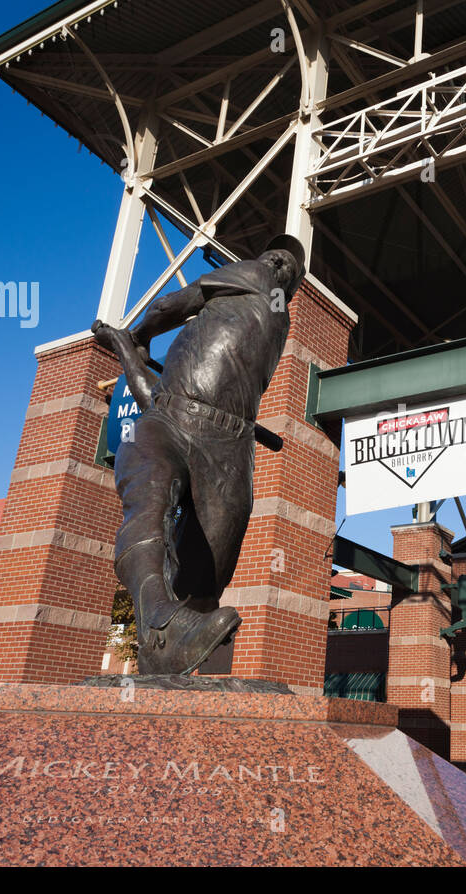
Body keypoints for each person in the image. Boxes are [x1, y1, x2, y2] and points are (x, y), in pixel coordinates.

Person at [91, 235, 306, 674]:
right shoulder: (258, 277)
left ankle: (168, 651)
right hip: (168, 423)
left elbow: (162, 327)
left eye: (285, 262)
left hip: (230, 446)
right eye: (274, 255)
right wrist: (131, 340)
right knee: (149, 505)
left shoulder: (267, 297)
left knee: (208, 578)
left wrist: (135, 341)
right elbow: (169, 314)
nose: (275, 262)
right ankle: (158, 615)